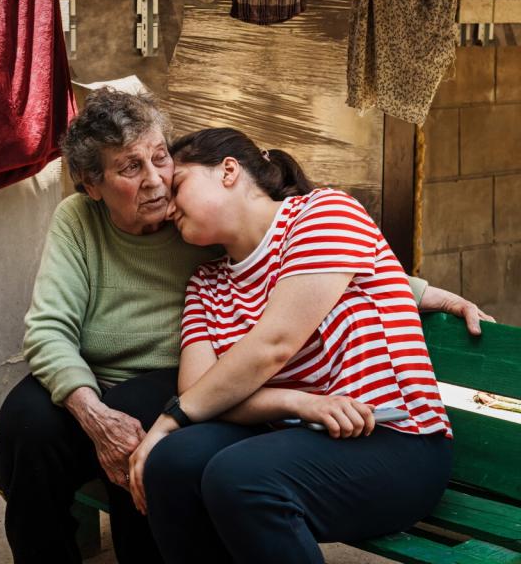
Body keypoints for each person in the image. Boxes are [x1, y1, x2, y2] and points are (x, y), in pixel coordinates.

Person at [0, 89, 491, 564]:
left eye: (164, 163)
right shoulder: (202, 271)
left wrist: (431, 294)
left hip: (384, 430)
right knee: (35, 427)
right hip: (254, 412)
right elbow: (59, 333)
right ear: (91, 184)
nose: (159, 184)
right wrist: (292, 402)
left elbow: (320, 278)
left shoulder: (300, 218)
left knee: (210, 464)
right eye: (129, 168)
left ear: (228, 172)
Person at [128, 127, 488, 564]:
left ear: (228, 171)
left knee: (238, 477)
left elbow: (273, 344)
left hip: (398, 442)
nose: (166, 209)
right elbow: (201, 394)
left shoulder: (323, 214)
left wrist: (167, 421)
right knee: (173, 464)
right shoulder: (207, 285)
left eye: (177, 186)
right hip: (298, 439)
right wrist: (297, 403)